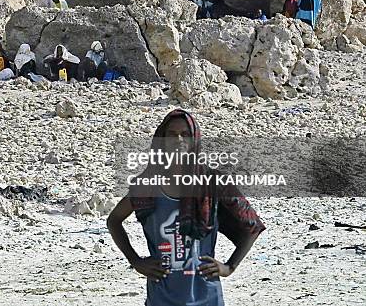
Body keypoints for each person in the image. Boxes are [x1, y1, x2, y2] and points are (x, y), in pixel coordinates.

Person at [107, 109, 265, 306]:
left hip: (207, 297)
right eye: (172, 134)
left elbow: (253, 226)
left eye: (185, 134)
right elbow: (113, 220)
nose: (179, 139)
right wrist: (136, 261)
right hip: (162, 297)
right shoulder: (146, 186)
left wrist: (229, 267)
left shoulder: (213, 182)